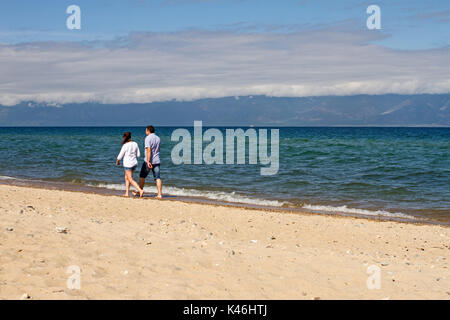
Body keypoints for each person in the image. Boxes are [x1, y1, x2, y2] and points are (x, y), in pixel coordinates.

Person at [116, 132, 144, 198]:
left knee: (130, 179)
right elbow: (138, 155)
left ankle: (140, 190)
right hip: (134, 163)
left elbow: (120, 155)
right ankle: (126, 193)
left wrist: (117, 160)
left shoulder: (125, 145)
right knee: (127, 177)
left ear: (125, 137)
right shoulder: (135, 144)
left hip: (128, 164)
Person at [139, 125, 163, 199]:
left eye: (146, 130)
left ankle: (140, 191)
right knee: (157, 177)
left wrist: (148, 161)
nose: (145, 131)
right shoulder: (158, 138)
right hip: (157, 160)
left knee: (142, 176)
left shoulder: (147, 138)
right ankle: (159, 194)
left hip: (148, 161)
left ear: (148, 131)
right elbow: (157, 150)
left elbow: (148, 150)